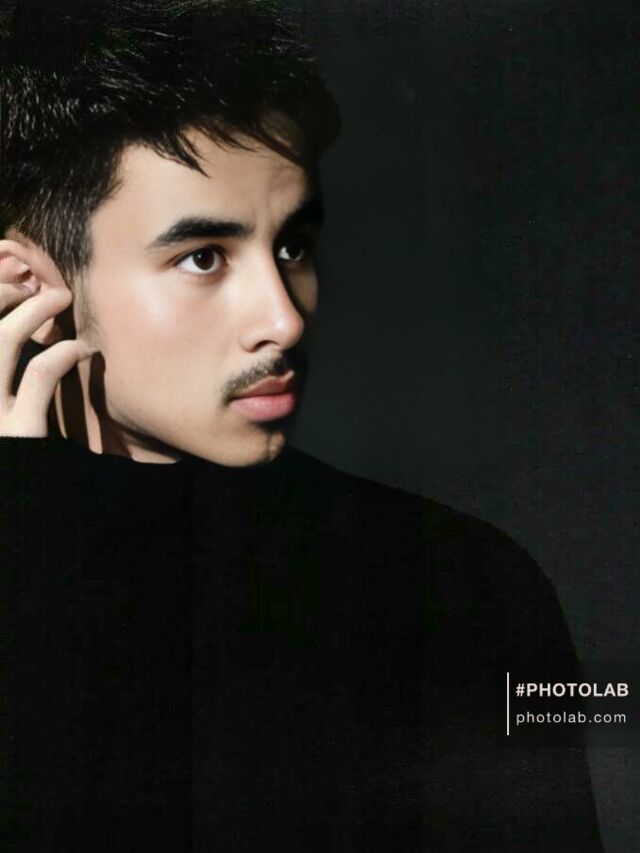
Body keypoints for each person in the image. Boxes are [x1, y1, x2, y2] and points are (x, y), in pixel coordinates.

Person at [1, 1, 602, 850]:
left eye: (291, 246)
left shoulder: (461, 582)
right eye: (203, 257)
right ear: (28, 286)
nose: (283, 318)